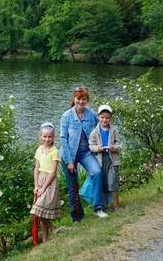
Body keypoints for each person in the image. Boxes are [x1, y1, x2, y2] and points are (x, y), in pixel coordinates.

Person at [60, 87, 108, 221]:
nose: (81, 101)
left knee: (97, 172)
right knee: (72, 185)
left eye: (84, 99)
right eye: (78, 98)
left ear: (87, 100)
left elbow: (103, 126)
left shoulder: (92, 115)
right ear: (74, 99)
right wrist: (69, 161)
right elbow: (63, 139)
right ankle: (77, 217)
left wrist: (106, 146)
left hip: (86, 152)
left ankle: (98, 208)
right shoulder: (66, 116)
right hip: (68, 154)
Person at [30, 122, 61, 243]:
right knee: (41, 211)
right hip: (40, 180)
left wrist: (44, 188)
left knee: (39, 211)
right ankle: (45, 240)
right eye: (44, 136)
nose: (47, 139)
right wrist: (36, 186)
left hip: (50, 182)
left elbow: (53, 172)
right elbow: (36, 169)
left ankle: (52, 228)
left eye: (49, 137)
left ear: (53, 137)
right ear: (40, 136)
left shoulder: (54, 152)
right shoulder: (39, 150)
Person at [90, 104, 123, 212]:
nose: (104, 120)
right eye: (102, 117)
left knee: (112, 182)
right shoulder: (94, 132)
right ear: (98, 117)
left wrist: (115, 147)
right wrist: (97, 148)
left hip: (112, 159)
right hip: (101, 159)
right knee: (103, 183)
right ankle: (105, 206)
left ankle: (116, 205)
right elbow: (91, 146)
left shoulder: (114, 130)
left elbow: (120, 145)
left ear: (111, 118)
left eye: (107, 118)